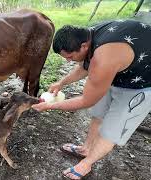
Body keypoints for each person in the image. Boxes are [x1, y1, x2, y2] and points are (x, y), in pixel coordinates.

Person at [32, 19, 151, 179]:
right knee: (99, 112)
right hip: (120, 71)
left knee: (114, 127)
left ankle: (87, 164)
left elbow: (86, 101)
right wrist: (61, 83)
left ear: (83, 46)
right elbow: (83, 66)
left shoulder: (103, 58)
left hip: (142, 83)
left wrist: (50, 106)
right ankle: (86, 148)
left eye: (70, 56)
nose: (68, 60)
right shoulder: (87, 35)